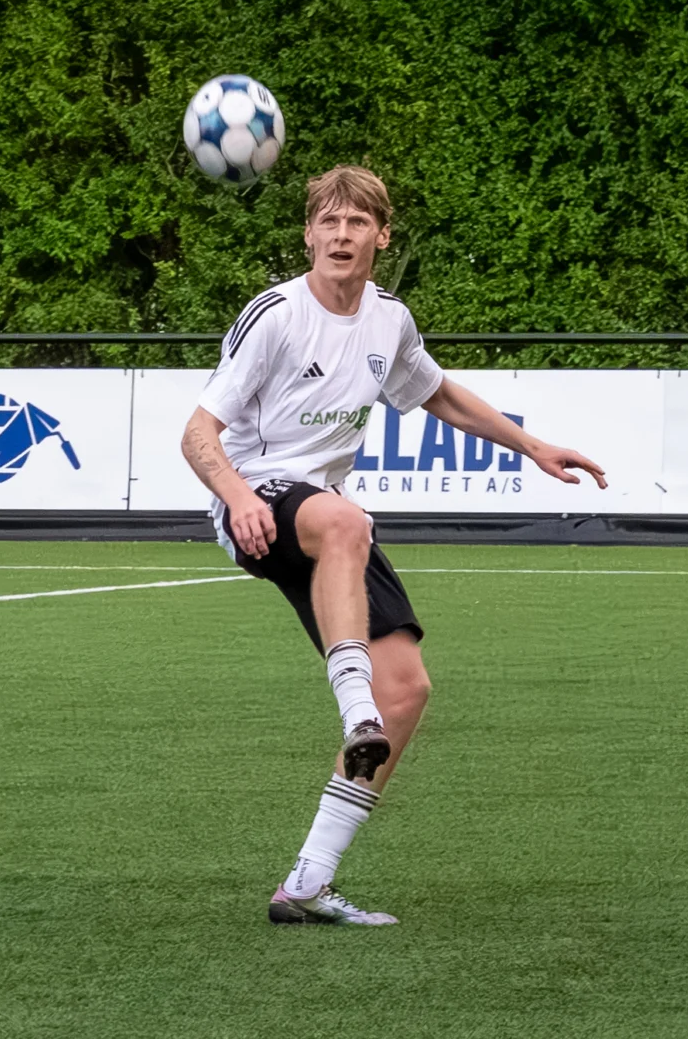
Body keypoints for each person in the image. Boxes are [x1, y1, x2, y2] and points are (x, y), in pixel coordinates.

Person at [180, 165, 608, 925]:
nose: (341, 235)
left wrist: (533, 445)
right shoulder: (275, 314)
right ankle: (356, 710)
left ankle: (307, 882)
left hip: (324, 512)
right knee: (349, 523)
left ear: (382, 236)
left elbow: (436, 393)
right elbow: (197, 433)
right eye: (329, 222)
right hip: (256, 499)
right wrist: (238, 497)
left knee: (406, 689)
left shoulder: (390, 320)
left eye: (357, 223)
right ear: (309, 235)